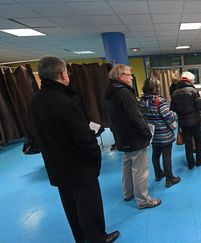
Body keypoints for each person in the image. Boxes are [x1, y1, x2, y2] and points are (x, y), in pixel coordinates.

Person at [29, 56, 119, 243]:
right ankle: (97, 238)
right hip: (79, 166)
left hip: (56, 166)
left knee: (70, 205)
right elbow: (84, 138)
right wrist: (94, 157)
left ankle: (81, 238)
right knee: (89, 206)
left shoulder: (35, 101)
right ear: (62, 73)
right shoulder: (65, 102)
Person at [104, 64, 161, 209]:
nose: (131, 77)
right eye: (129, 75)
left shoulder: (109, 92)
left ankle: (128, 193)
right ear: (121, 76)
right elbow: (136, 117)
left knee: (127, 165)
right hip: (134, 137)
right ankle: (143, 200)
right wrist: (147, 133)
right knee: (140, 169)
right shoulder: (124, 93)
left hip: (122, 137)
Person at [139, 78, 181, 188]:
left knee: (155, 155)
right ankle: (169, 179)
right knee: (166, 156)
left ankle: (158, 174)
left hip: (152, 133)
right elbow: (167, 116)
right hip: (164, 133)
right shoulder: (159, 100)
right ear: (155, 88)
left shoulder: (142, 101)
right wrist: (174, 114)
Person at [171, 71, 201, 169]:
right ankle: (199, 160)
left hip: (182, 121)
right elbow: (199, 107)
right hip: (195, 120)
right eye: (193, 80)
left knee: (188, 142)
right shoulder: (193, 91)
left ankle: (190, 163)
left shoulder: (175, 92)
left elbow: (172, 108)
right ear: (190, 80)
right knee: (198, 141)